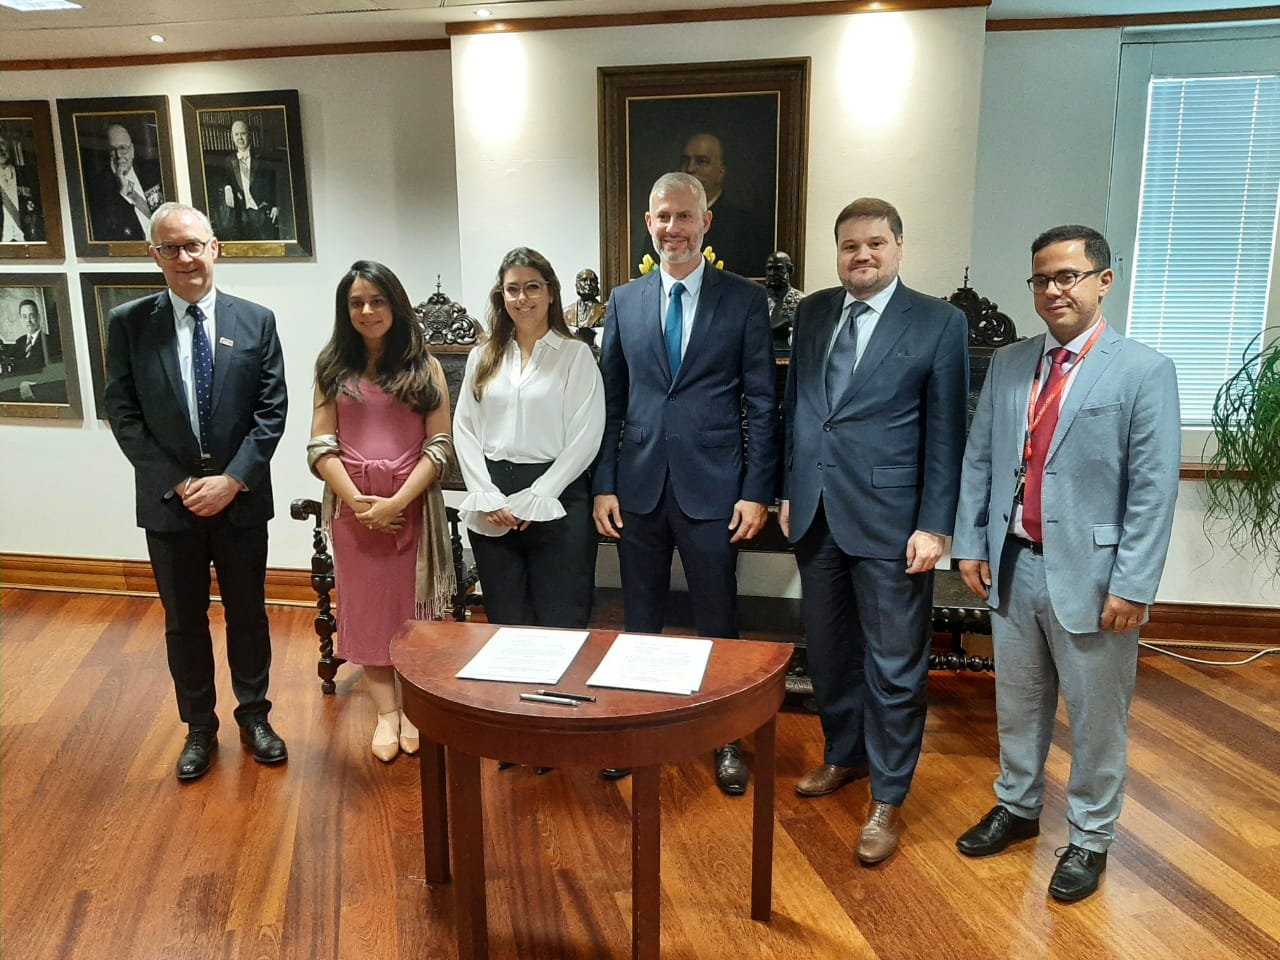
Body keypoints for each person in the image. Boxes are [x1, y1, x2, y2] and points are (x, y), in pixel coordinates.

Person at [951, 225, 1181, 902]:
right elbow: (980, 459)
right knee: (1018, 702)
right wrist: (971, 541)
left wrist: (1133, 584)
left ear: (1103, 281)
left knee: (1096, 717)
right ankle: (1018, 805)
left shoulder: (1143, 370)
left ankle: (1090, 837)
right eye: (1042, 279)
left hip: (1096, 575)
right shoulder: (1010, 362)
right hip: (1013, 563)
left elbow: (1153, 489)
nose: (1054, 290)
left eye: (1068, 276)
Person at [780, 197, 969, 865]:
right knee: (830, 655)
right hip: (816, 514)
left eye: (875, 243)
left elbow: (947, 432)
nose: (862, 255)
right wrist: (787, 488)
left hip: (894, 525)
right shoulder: (813, 313)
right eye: (850, 245)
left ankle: (888, 795)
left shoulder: (939, 322)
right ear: (838, 252)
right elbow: (799, 409)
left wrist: (935, 525)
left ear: (898, 247)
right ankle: (845, 755)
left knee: (894, 666)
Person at [594, 171, 779, 795]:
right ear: (648, 223)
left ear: (705, 222)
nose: (673, 228)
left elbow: (762, 403)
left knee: (717, 619)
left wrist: (756, 490)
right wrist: (604, 483)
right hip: (638, 488)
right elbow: (610, 404)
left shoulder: (744, 301)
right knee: (640, 617)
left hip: (716, 490)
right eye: (662, 217)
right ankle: (637, 729)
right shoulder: (624, 301)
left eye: (684, 216)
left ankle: (725, 738)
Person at [103, 202, 288, 781]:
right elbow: (123, 414)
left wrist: (232, 480)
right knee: (183, 621)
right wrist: (182, 483)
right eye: (170, 248)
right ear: (153, 255)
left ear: (215, 248)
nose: (184, 258)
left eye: (193, 245)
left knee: (248, 614)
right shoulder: (129, 324)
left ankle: (254, 716)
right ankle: (199, 728)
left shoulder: (256, 321)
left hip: (241, 500)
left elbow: (271, 411)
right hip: (170, 504)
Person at [308, 260, 455, 762]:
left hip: (411, 509)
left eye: (377, 300)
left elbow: (440, 446)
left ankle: (413, 708)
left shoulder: (426, 368)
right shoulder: (331, 368)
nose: (368, 311)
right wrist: (359, 504)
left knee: (410, 611)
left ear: (395, 304)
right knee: (368, 612)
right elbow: (320, 446)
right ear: (345, 310)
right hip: (354, 515)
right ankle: (387, 714)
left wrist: (396, 501)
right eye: (357, 303)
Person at [455, 247, 605, 631]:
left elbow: (586, 435)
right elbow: (464, 428)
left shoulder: (575, 356)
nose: (522, 298)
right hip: (494, 499)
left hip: (557, 495)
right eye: (513, 289)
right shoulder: (483, 356)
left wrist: (539, 495)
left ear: (551, 292)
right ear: (502, 295)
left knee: (561, 619)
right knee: (506, 620)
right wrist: (484, 492)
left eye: (532, 287)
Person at [679, 133, 773, 278]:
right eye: (685, 161)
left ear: (721, 172)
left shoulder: (746, 227)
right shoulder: (665, 224)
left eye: (702, 161)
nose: (690, 168)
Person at [88, 122, 163, 242]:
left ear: (132, 150)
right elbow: (113, 233)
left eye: (123, 148)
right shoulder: (98, 187)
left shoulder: (152, 171)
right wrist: (123, 193)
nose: (119, 156)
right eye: (113, 150)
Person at [220, 119, 280, 241]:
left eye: (243, 133)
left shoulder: (262, 156)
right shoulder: (229, 160)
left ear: (249, 134)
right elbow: (225, 179)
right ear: (232, 137)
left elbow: (273, 181)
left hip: (262, 211)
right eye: (236, 134)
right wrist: (227, 187)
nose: (240, 138)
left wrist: (275, 205)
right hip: (241, 214)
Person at [0, 133, 43, 243]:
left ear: (9, 145)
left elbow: (41, 205)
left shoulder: (28, 174)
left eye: (2, 143)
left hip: (26, 241)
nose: (0, 149)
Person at [764, 250, 803, 349]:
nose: (772, 273)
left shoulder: (801, 301)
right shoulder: (756, 300)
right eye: (769, 268)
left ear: (790, 270)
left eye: (778, 269)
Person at [11, 298, 45, 374]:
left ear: (38, 317)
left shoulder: (48, 340)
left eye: (31, 316)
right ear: (21, 319)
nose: (28, 320)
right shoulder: (19, 341)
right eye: (24, 316)